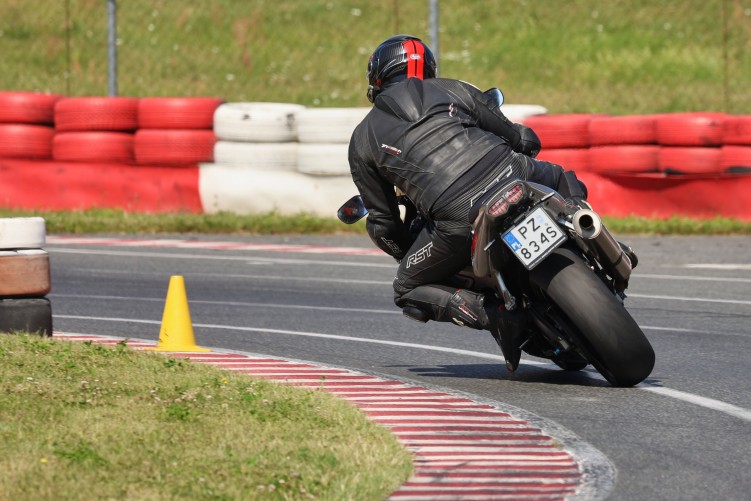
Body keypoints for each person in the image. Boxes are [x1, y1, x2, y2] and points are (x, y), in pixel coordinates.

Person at [347, 34, 592, 371]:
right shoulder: (452, 88)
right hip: (512, 172)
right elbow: (518, 136)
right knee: (563, 176)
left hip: (458, 214)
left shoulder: (362, 139)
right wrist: (525, 146)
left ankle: (494, 316)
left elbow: (383, 220)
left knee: (406, 286)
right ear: (429, 68)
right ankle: (585, 224)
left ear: (377, 79)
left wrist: (402, 248)